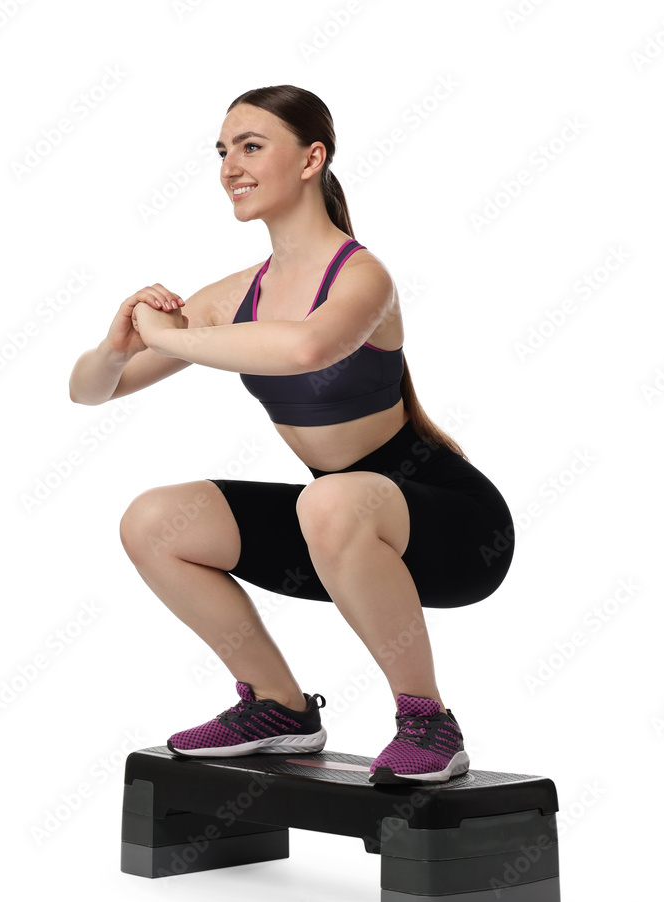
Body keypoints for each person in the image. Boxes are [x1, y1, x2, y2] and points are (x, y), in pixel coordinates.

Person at [69, 84, 515, 784]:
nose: (228, 166)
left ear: (312, 159)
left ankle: (427, 721)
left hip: (450, 529)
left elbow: (307, 349)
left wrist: (177, 339)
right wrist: (121, 339)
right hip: (335, 532)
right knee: (153, 521)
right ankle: (278, 707)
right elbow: (92, 389)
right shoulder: (235, 293)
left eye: (250, 147)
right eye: (222, 151)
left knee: (329, 500)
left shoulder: (362, 277)